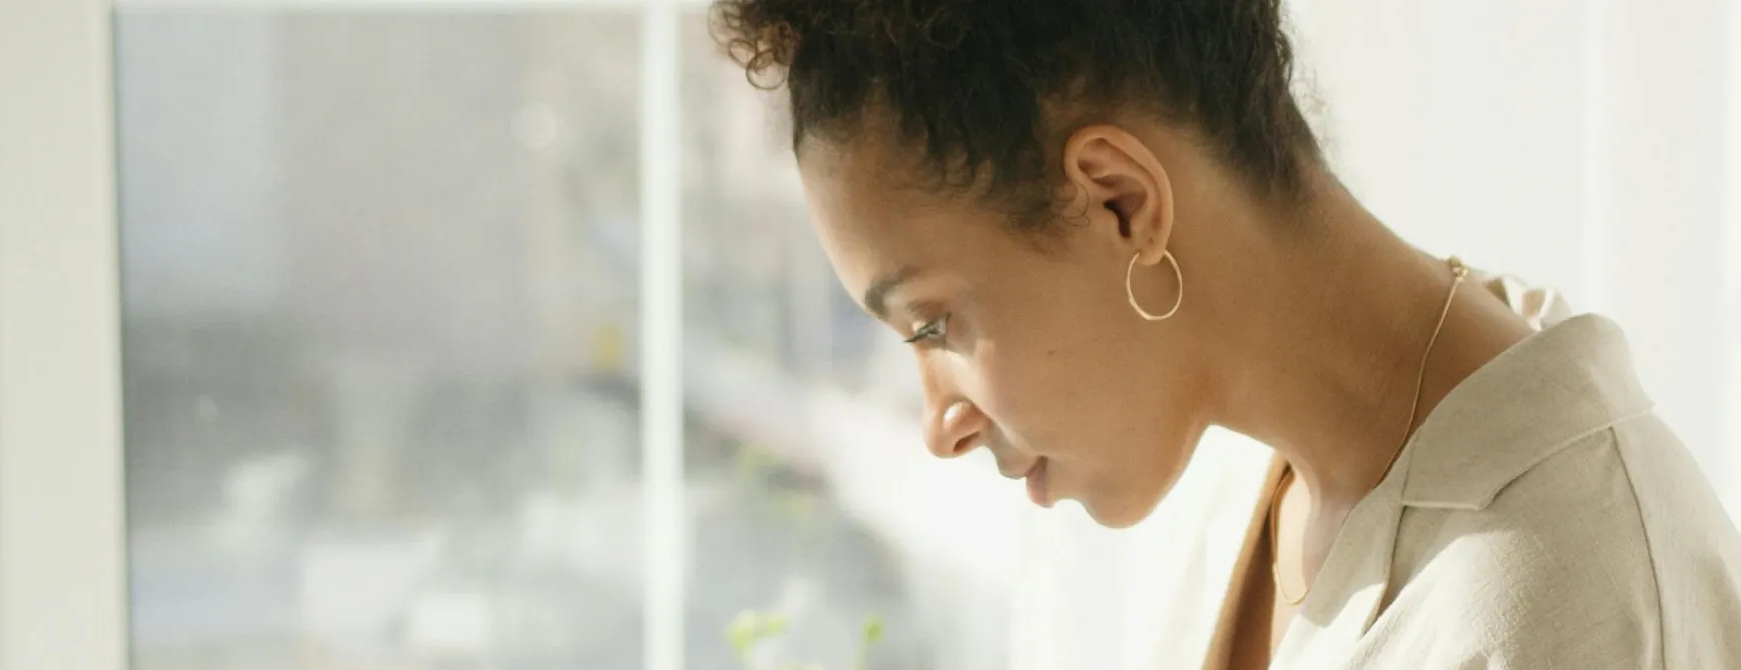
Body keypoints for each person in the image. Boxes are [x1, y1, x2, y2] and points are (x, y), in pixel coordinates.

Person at [709, 1, 1741, 668]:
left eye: (934, 322)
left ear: (1119, 202)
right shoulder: (1232, 464)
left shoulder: (1572, 601)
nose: (941, 425)